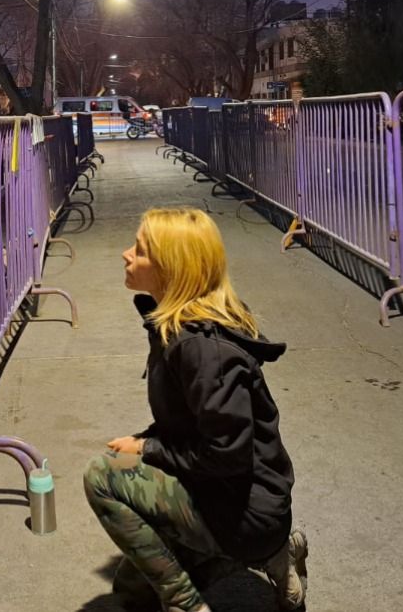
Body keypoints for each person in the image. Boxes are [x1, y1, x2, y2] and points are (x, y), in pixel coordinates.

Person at [83, 208, 307, 612]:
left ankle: (190, 601)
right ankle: (276, 553)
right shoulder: (181, 326)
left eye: (140, 249)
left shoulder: (201, 349)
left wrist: (148, 449)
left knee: (103, 475)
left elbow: (227, 455)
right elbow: (191, 426)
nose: (125, 254)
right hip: (237, 498)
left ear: (172, 269)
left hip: (247, 513)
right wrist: (146, 442)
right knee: (132, 593)